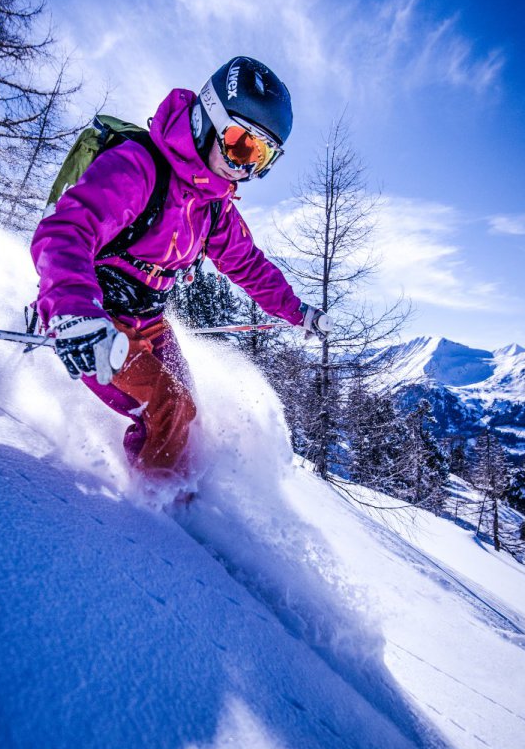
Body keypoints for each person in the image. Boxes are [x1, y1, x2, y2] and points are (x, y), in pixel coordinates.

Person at [30, 56, 331, 480]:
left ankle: (176, 496)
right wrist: (73, 309)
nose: (246, 167)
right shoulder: (139, 168)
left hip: (147, 320)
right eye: (242, 144)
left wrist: (298, 312)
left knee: (189, 408)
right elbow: (65, 232)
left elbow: (249, 264)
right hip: (96, 317)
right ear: (208, 120)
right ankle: (157, 520)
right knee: (169, 406)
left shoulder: (213, 208)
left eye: (262, 158)